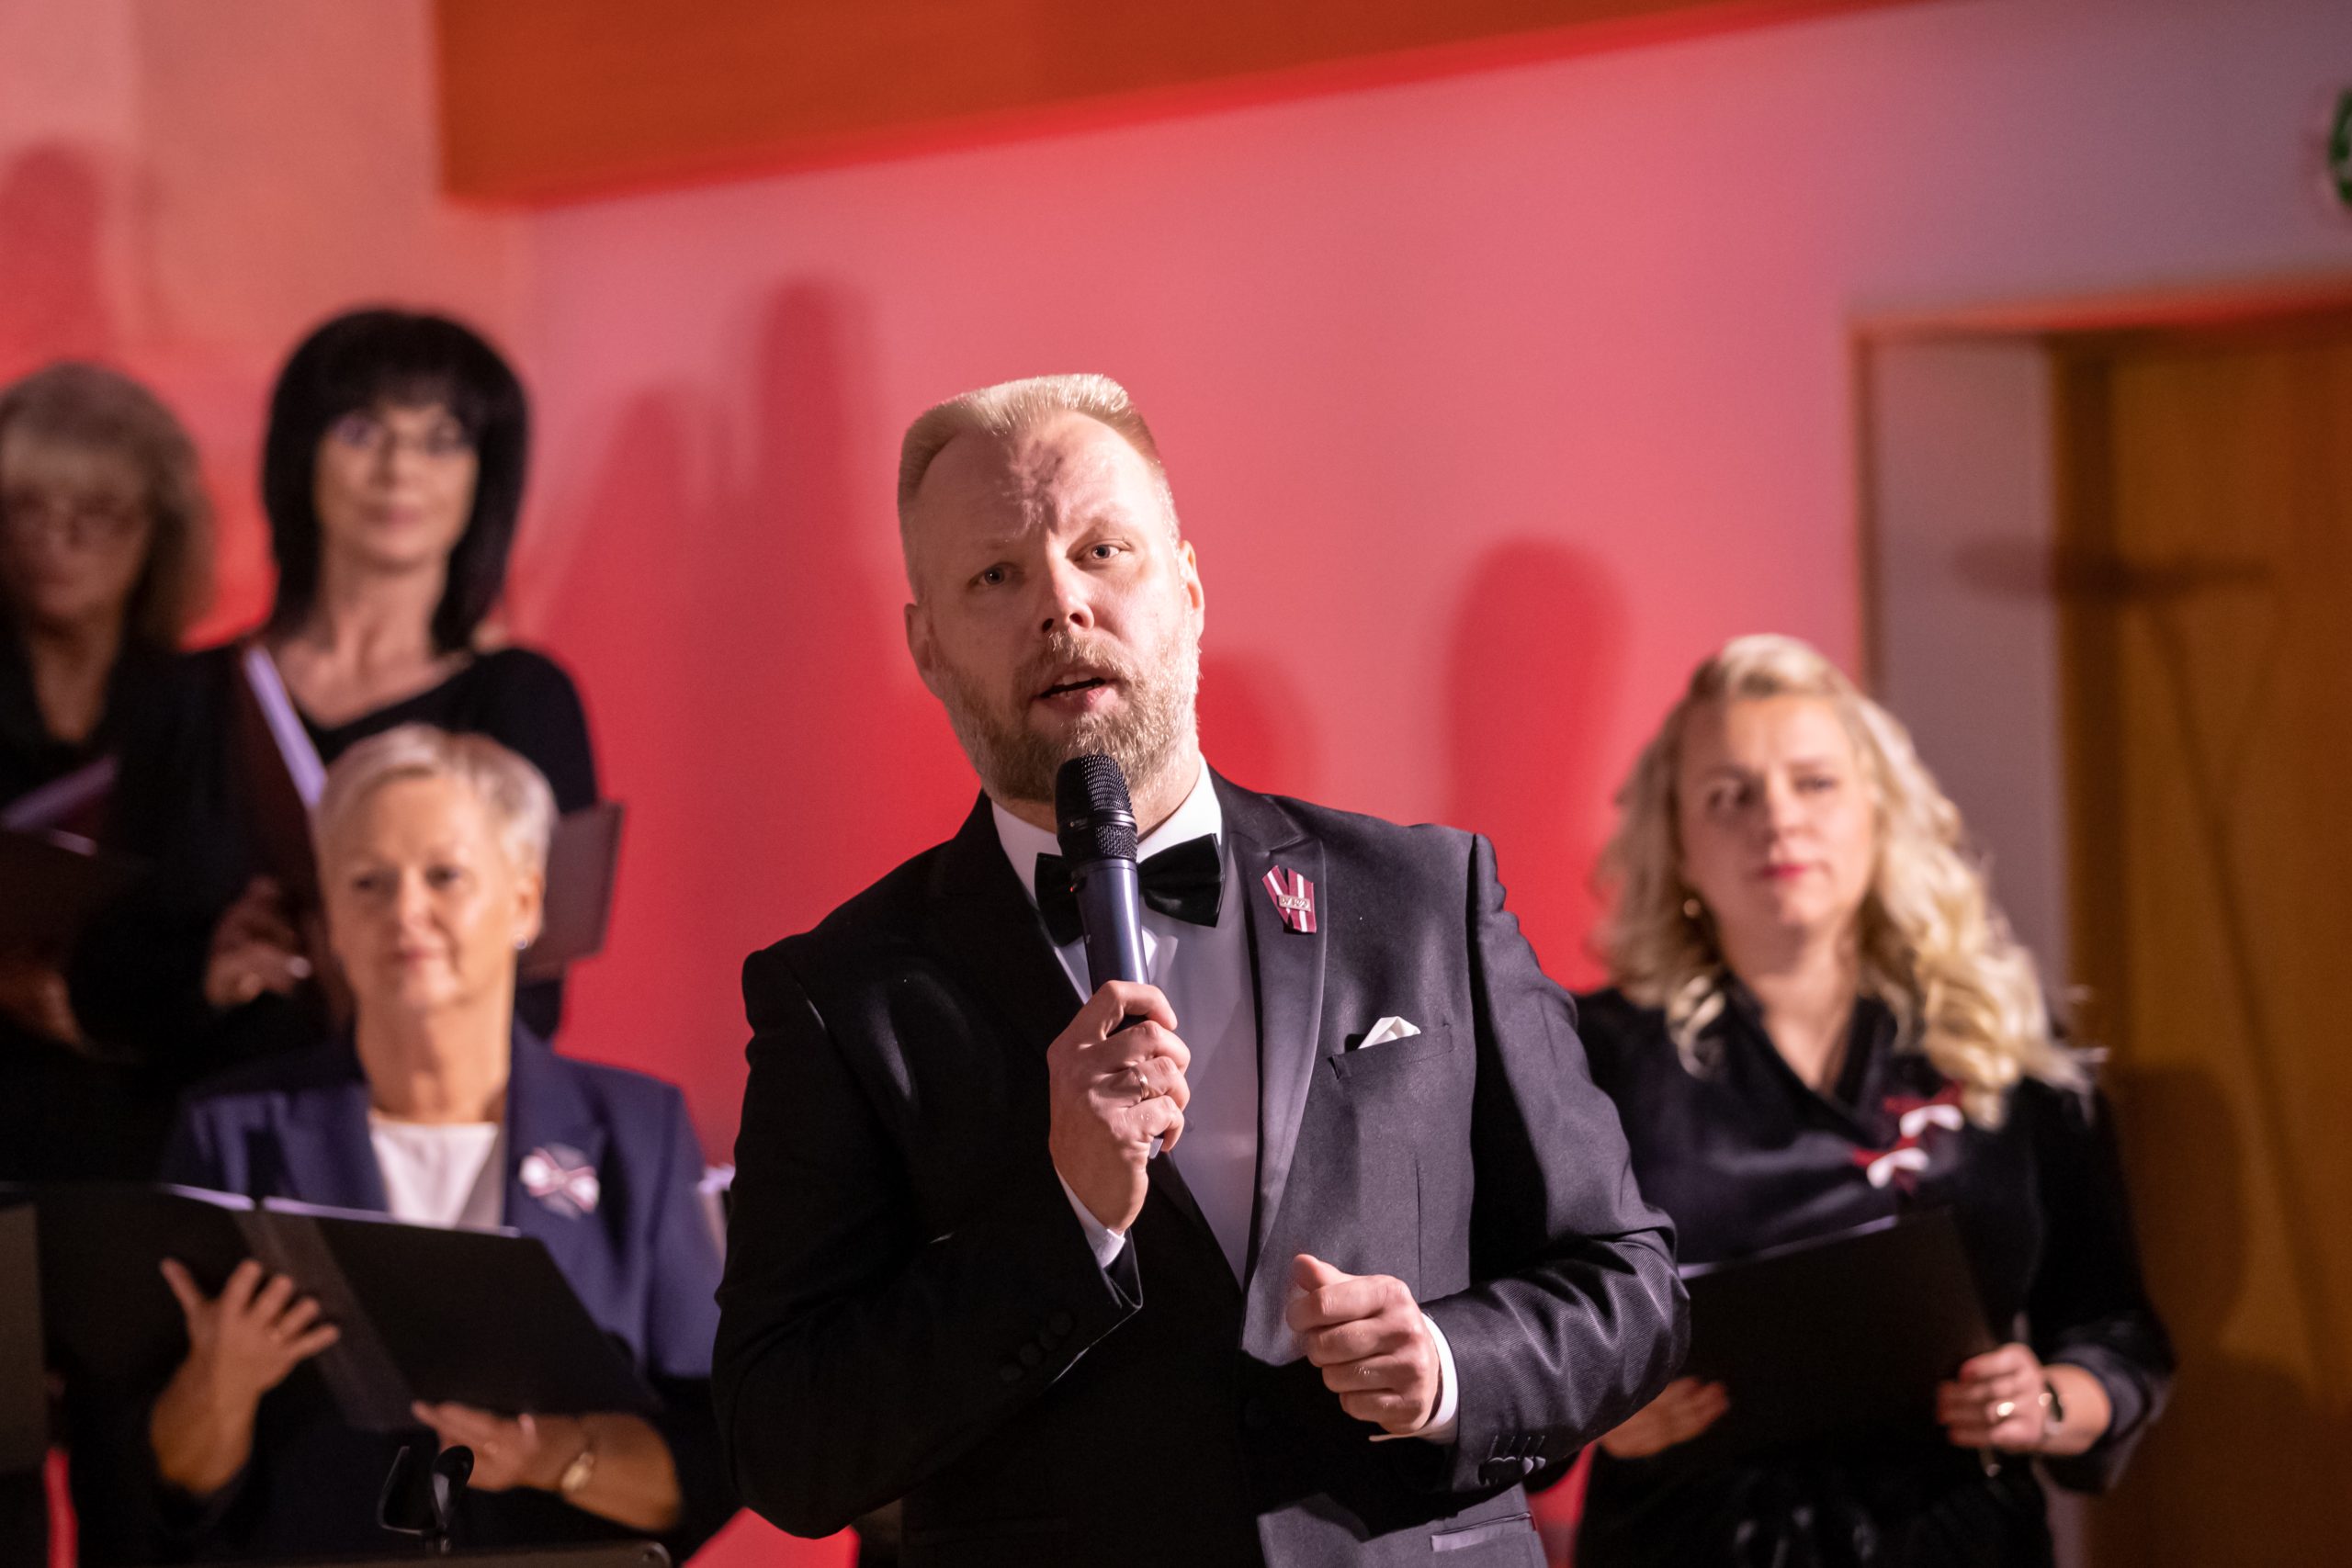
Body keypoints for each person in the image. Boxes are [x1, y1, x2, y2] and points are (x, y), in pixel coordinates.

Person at [715, 374, 1685, 1567]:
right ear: (927, 646)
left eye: (1100, 550)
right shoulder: (842, 993)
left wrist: (1445, 1366)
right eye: (995, 576)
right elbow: (786, 1443)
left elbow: (1629, 1286)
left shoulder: (1426, 897)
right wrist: (1066, 1219)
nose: (1061, 604)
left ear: (1185, 586)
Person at [1573, 635, 2173, 1568]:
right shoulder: (1585, 1057)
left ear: (1879, 812)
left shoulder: (2004, 1040)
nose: (1778, 820)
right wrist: (1594, 1412)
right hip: (1687, 1540)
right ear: (1678, 844)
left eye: (1814, 782)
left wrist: (2047, 1401)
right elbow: (1516, 1341)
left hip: (1959, 1540)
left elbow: (2117, 1332)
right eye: (1730, 795)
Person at [69, 725, 729, 1563]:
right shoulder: (233, 1133)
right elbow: (161, 1485)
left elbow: (711, 1461)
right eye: (368, 882)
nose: (405, 911)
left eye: (444, 875)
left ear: (526, 900)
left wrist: (552, 1456)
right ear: (332, 921)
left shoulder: (638, 1130)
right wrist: (221, 1384)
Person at [72, 308, 597, 1103]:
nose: (398, 469)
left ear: (484, 475)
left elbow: (539, 993)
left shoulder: (526, 699)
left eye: (442, 439)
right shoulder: (184, 696)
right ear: (300, 455)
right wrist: (207, 969)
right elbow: (102, 982)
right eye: (361, 430)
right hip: (202, 1129)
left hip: (415, 1140)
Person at [0, 361, 213, 1179]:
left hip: (139, 1111)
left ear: (160, 530)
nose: (58, 541)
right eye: (28, 508)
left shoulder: (202, 704)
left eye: (96, 513)